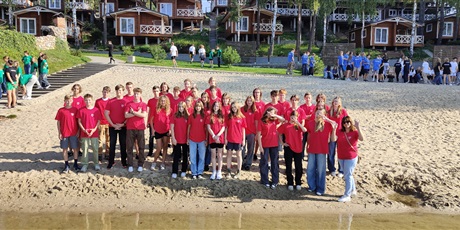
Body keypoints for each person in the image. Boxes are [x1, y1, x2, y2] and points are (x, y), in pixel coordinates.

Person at [306, 109, 337, 196]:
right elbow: (309, 134)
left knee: (321, 170)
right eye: (317, 113)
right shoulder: (310, 123)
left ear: (324, 115)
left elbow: (333, 136)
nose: (318, 115)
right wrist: (307, 145)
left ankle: (320, 189)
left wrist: (326, 119)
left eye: (320, 113)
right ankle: (312, 186)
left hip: (322, 150)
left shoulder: (327, 124)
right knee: (310, 169)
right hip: (312, 149)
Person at [278, 110, 307, 191]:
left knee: (298, 166)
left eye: (295, 117)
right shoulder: (285, 125)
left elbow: (304, 130)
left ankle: (298, 182)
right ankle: (290, 182)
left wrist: (298, 122)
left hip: (298, 147)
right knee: (288, 166)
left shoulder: (298, 125)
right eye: (291, 116)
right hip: (288, 147)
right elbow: (279, 133)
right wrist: (282, 143)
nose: (293, 118)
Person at [336, 116, 363, 202]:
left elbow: (362, 138)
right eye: (344, 122)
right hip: (341, 156)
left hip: (351, 157)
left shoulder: (354, 132)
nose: (346, 124)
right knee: (348, 174)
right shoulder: (340, 132)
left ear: (350, 123)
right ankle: (352, 190)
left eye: (348, 122)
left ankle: (347, 195)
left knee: (347, 175)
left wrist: (358, 127)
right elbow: (333, 138)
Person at [257, 107, 285, 189]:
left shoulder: (274, 120)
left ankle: (275, 181)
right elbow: (258, 135)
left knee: (274, 163)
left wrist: (275, 115)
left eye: (273, 112)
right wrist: (260, 147)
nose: (272, 114)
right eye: (271, 112)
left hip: (274, 145)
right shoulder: (261, 121)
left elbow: (283, 120)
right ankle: (265, 180)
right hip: (265, 145)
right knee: (264, 162)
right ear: (267, 112)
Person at [104, 84, 128, 169]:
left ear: (123, 91)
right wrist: (113, 124)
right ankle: (111, 162)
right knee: (112, 144)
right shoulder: (111, 101)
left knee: (123, 144)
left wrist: (123, 124)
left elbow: (128, 115)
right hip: (112, 126)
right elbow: (106, 114)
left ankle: (124, 162)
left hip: (123, 126)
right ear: (116, 91)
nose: (119, 92)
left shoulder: (126, 102)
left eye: (121, 90)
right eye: (118, 90)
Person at [124, 87, 148, 173]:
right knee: (129, 147)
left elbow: (144, 115)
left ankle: (140, 164)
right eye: (134, 94)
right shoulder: (129, 104)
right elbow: (126, 115)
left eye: (137, 94)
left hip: (140, 128)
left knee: (141, 147)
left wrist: (133, 112)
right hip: (130, 128)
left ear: (140, 94)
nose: (136, 95)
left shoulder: (143, 104)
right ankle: (130, 164)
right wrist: (138, 113)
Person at [55, 95, 80, 172]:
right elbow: (58, 122)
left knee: (75, 149)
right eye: (66, 100)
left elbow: (78, 122)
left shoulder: (75, 109)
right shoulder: (61, 110)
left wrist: (78, 131)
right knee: (64, 149)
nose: (68, 102)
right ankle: (66, 164)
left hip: (74, 132)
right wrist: (59, 133)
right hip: (64, 133)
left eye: (69, 100)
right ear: (64, 101)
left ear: (72, 101)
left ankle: (75, 163)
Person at [77, 94, 101, 172]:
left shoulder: (96, 110)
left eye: (89, 100)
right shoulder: (81, 110)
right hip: (84, 133)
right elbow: (79, 121)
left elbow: (98, 121)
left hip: (94, 133)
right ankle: (85, 164)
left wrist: (94, 129)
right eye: (86, 100)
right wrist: (83, 130)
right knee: (85, 148)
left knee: (95, 148)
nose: (88, 102)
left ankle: (96, 163)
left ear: (92, 100)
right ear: (84, 101)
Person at [327, 96, 348, 177]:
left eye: (337, 101)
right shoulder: (329, 112)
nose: (336, 102)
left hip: (341, 134)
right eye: (335, 101)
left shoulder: (343, 111)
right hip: (332, 134)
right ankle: (331, 169)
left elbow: (347, 122)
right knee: (331, 152)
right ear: (333, 102)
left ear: (340, 103)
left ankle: (341, 170)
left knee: (341, 153)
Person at [150, 95, 172, 171]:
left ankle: (163, 162)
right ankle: (154, 161)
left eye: (164, 101)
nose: (163, 102)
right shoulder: (156, 109)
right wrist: (153, 129)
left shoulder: (169, 110)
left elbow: (171, 121)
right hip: (158, 130)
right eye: (161, 100)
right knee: (159, 147)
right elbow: (151, 120)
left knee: (165, 147)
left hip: (166, 130)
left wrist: (170, 130)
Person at [225, 101, 246, 179]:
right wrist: (225, 138)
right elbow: (226, 128)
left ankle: (238, 171)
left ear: (238, 108)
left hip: (238, 139)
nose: (234, 108)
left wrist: (243, 139)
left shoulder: (242, 117)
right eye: (232, 107)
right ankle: (228, 171)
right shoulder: (228, 116)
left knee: (238, 155)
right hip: (230, 139)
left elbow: (243, 129)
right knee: (229, 155)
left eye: (235, 107)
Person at [187, 101, 207, 179]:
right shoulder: (191, 116)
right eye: (196, 106)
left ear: (201, 107)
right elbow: (189, 127)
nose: (198, 108)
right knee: (193, 157)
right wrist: (187, 138)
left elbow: (206, 128)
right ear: (194, 107)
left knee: (202, 157)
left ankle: (200, 172)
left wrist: (206, 139)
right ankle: (194, 172)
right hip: (192, 139)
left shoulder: (204, 116)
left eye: (199, 106)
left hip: (202, 140)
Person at [207, 101, 225, 180]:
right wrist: (214, 135)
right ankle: (214, 171)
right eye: (215, 106)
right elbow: (208, 127)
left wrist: (218, 135)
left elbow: (223, 127)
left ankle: (219, 171)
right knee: (213, 155)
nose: (216, 107)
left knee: (220, 155)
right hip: (212, 138)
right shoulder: (210, 116)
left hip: (220, 138)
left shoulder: (222, 116)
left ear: (219, 107)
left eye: (217, 106)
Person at [171, 101, 189, 178]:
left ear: (185, 108)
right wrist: (173, 138)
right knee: (176, 156)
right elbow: (172, 128)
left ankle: (184, 170)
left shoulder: (188, 116)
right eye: (179, 107)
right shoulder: (174, 116)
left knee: (185, 156)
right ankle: (174, 171)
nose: (181, 108)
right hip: (177, 139)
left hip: (185, 139)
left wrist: (188, 139)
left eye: (182, 107)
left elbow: (189, 128)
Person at [95, 86, 111, 163]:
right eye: (104, 92)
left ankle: (107, 153)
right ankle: (100, 153)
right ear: (102, 92)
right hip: (101, 122)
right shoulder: (98, 101)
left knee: (108, 139)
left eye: (107, 92)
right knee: (100, 139)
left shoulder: (111, 101)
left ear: (109, 93)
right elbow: (96, 112)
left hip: (109, 123)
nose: (105, 94)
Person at [241, 96, 258, 171]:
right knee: (242, 148)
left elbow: (257, 123)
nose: (249, 102)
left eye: (251, 101)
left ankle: (248, 163)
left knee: (250, 149)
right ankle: (241, 162)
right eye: (248, 100)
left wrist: (257, 133)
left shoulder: (255, 111)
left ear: (253, 102)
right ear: (246, 101)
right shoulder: (242, 109)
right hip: (243, 132)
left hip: (251, 132)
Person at [147, 86, 160, 157]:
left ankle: (159, 150)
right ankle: (150, 151)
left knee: (159, 137)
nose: (156, 93)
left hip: (159, 121)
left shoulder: (161, 100)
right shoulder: (150, 100)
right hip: (152, 121)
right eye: (154, 91)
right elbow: (149, 112)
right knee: (151, 136)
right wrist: (147, 121)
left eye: (157, 91)